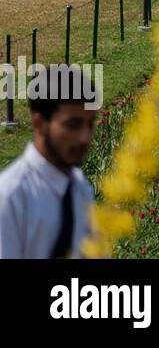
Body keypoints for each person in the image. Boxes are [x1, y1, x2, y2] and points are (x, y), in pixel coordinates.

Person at [0, 65, 98, 258]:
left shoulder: (80, 187)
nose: (85, 138)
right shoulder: (11, 196)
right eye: (73, 124)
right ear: (39, 124)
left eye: (90, 124)